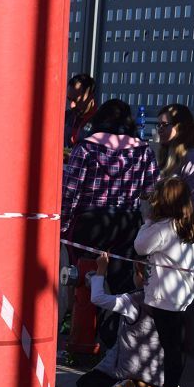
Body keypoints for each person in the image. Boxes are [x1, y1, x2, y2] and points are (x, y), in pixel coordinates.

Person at [61, 98, 158, 295]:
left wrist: (62, 226)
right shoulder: (144, 151)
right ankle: (115, 325)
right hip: (126, 224)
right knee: (122, 286)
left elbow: (69, 192)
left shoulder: (85, 148)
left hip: (88, 223)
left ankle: (83, 324)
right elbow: (151, 192)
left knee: (83, 280)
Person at [133, 177, 194, 387]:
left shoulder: (163, 228)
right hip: (181, 293)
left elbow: (140, 246)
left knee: (171, 345)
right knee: (172, 343)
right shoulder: (190, 227)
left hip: (165, 296)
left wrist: (148, 220)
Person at [76, 252, 163, 387]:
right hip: (156, 372)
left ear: (139, 274)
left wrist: (101, 269)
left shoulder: (132, 300)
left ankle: (124, 385)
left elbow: (97, 298)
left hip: (127, 368)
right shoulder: (168, 302)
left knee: (84, 383)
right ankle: (143, 385)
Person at [155, 103, 194, 210]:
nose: (159, 129)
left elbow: (193, 204)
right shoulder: (167, 154)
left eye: (165, 125)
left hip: (184, 223)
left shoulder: (193, 159)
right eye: (159, 125)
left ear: (181, 127)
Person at [64, 73, 97, 150]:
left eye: (76, 100)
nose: (72, 105)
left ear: (91, 96)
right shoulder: (66, 117)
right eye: (69, 100)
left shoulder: (100, 123)